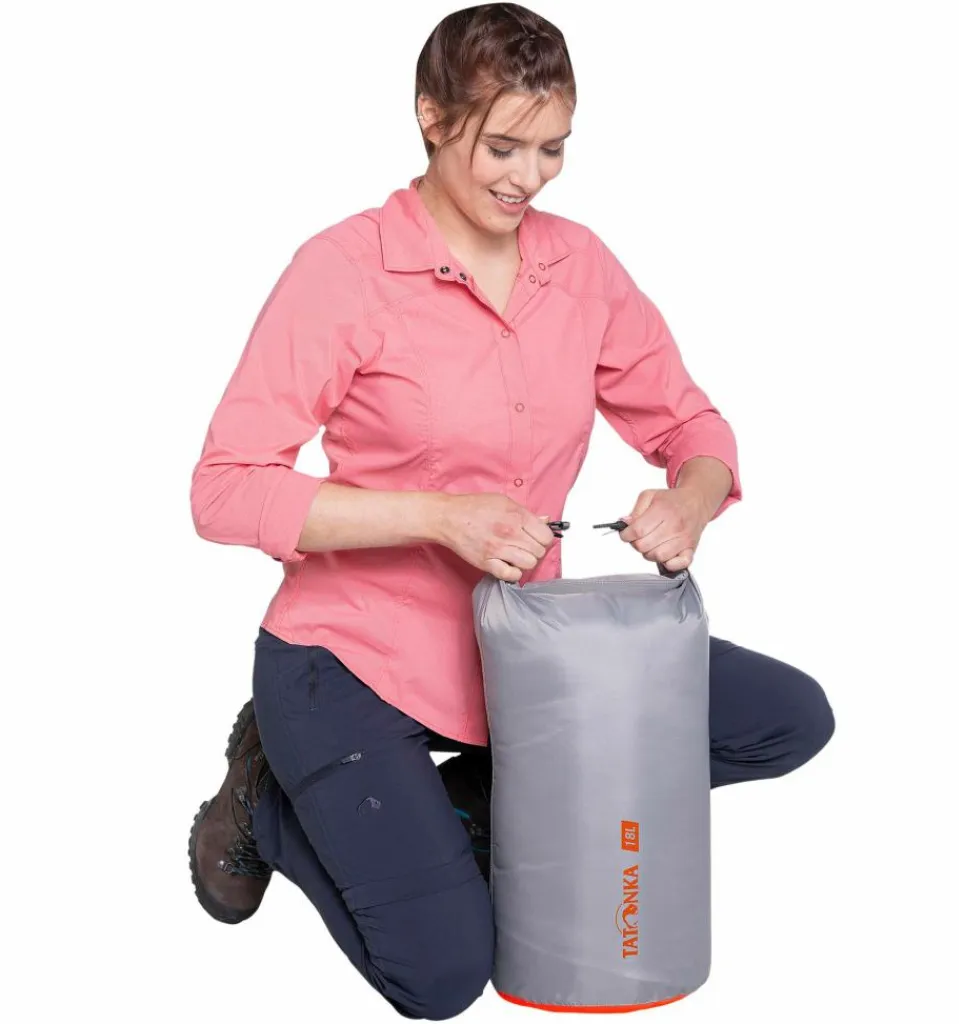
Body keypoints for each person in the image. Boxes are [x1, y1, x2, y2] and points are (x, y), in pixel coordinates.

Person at [186, 4, 835, 1019]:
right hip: (349, 662)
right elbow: (225, 487)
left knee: (788, 719)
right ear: (432, 117)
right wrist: (439, 518)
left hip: (522, 655)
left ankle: (464, 812)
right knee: (444, 977)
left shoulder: (578, 266)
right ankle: (267, 798)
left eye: (553, 148)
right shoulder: (344, 271)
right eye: (502, 147)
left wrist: (690, 499)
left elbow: (694, 425)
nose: (528, 177)